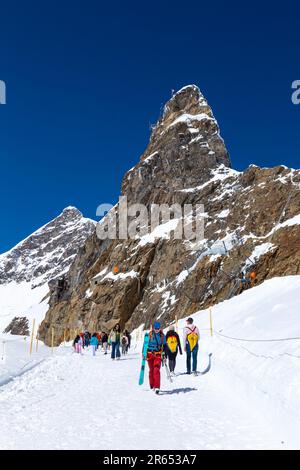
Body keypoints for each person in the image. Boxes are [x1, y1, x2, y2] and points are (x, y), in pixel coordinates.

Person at [146, 321, 166, 394]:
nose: (157, 330)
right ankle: (152, 385)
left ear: (160, 328)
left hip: (158, 355)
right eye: (155, 328)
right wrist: (144, 353)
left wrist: (164, 354)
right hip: (149, 354)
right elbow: (145, 345)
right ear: (153, 328)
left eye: (158, 328)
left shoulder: (162, 336)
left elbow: (165, 346)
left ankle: (157, 387)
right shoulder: (150, 335)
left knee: (156, 370)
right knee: (151, 370)